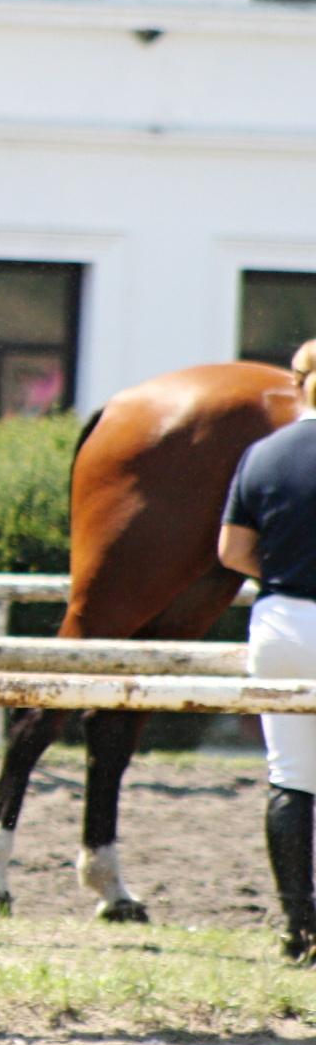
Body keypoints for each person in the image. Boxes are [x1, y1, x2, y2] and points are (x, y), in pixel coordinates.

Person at [217, 337, 316, 965]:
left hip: (282, 624)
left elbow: (231, 552)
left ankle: (299, 927)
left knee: (291, 776)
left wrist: (284, 571)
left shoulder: (263, 453)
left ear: (297, 383)